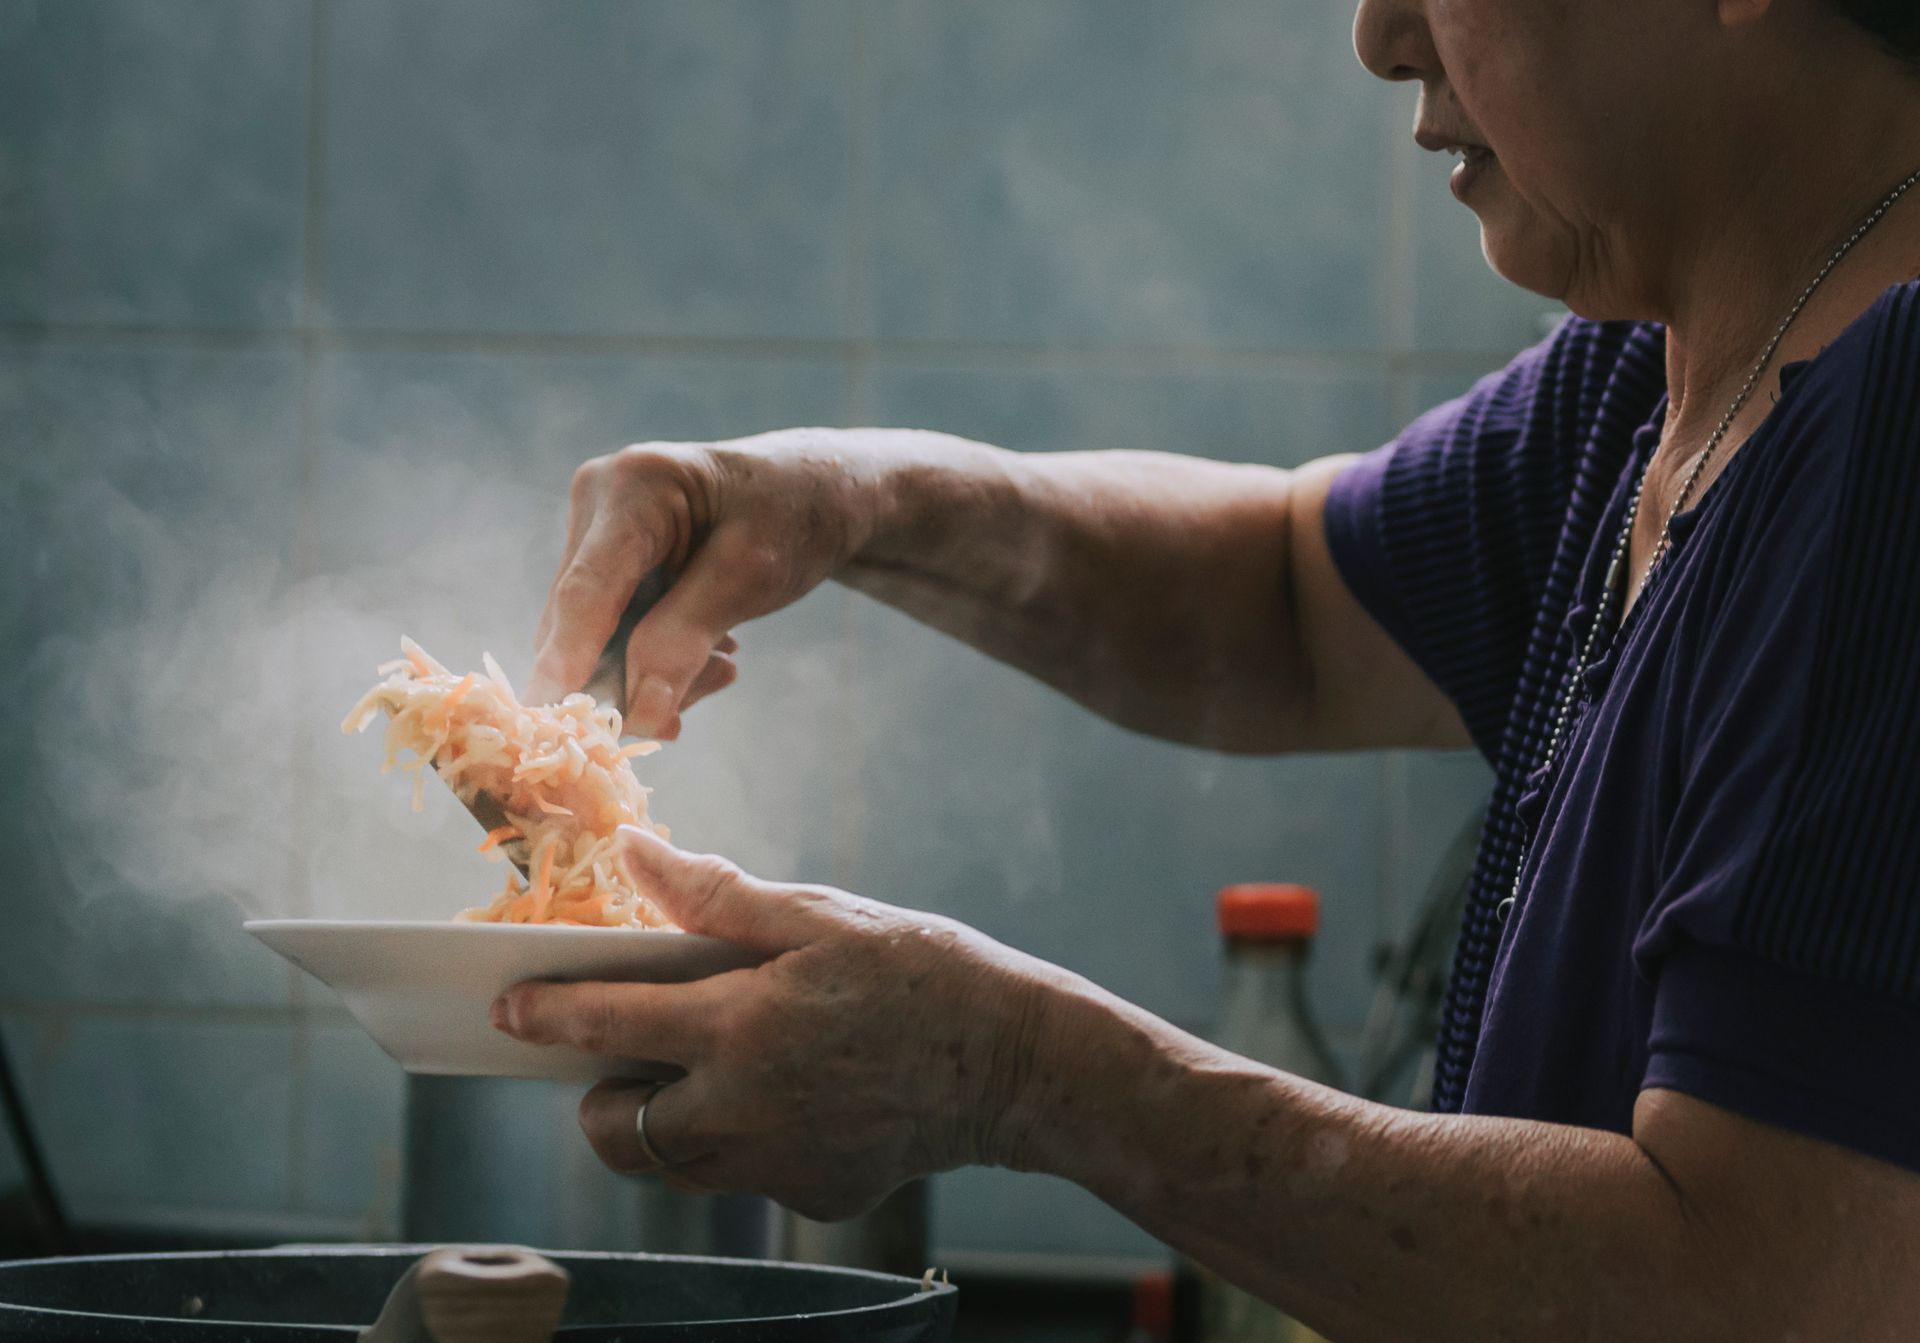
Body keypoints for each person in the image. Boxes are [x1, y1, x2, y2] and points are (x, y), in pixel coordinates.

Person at [490, 0, 1920, 1334]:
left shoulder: (1897, 432)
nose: (1379, 35)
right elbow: (1289, 605)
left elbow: (1758, 1288)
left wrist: (1020, 1077)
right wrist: (846, 499)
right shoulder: (1658, 369)